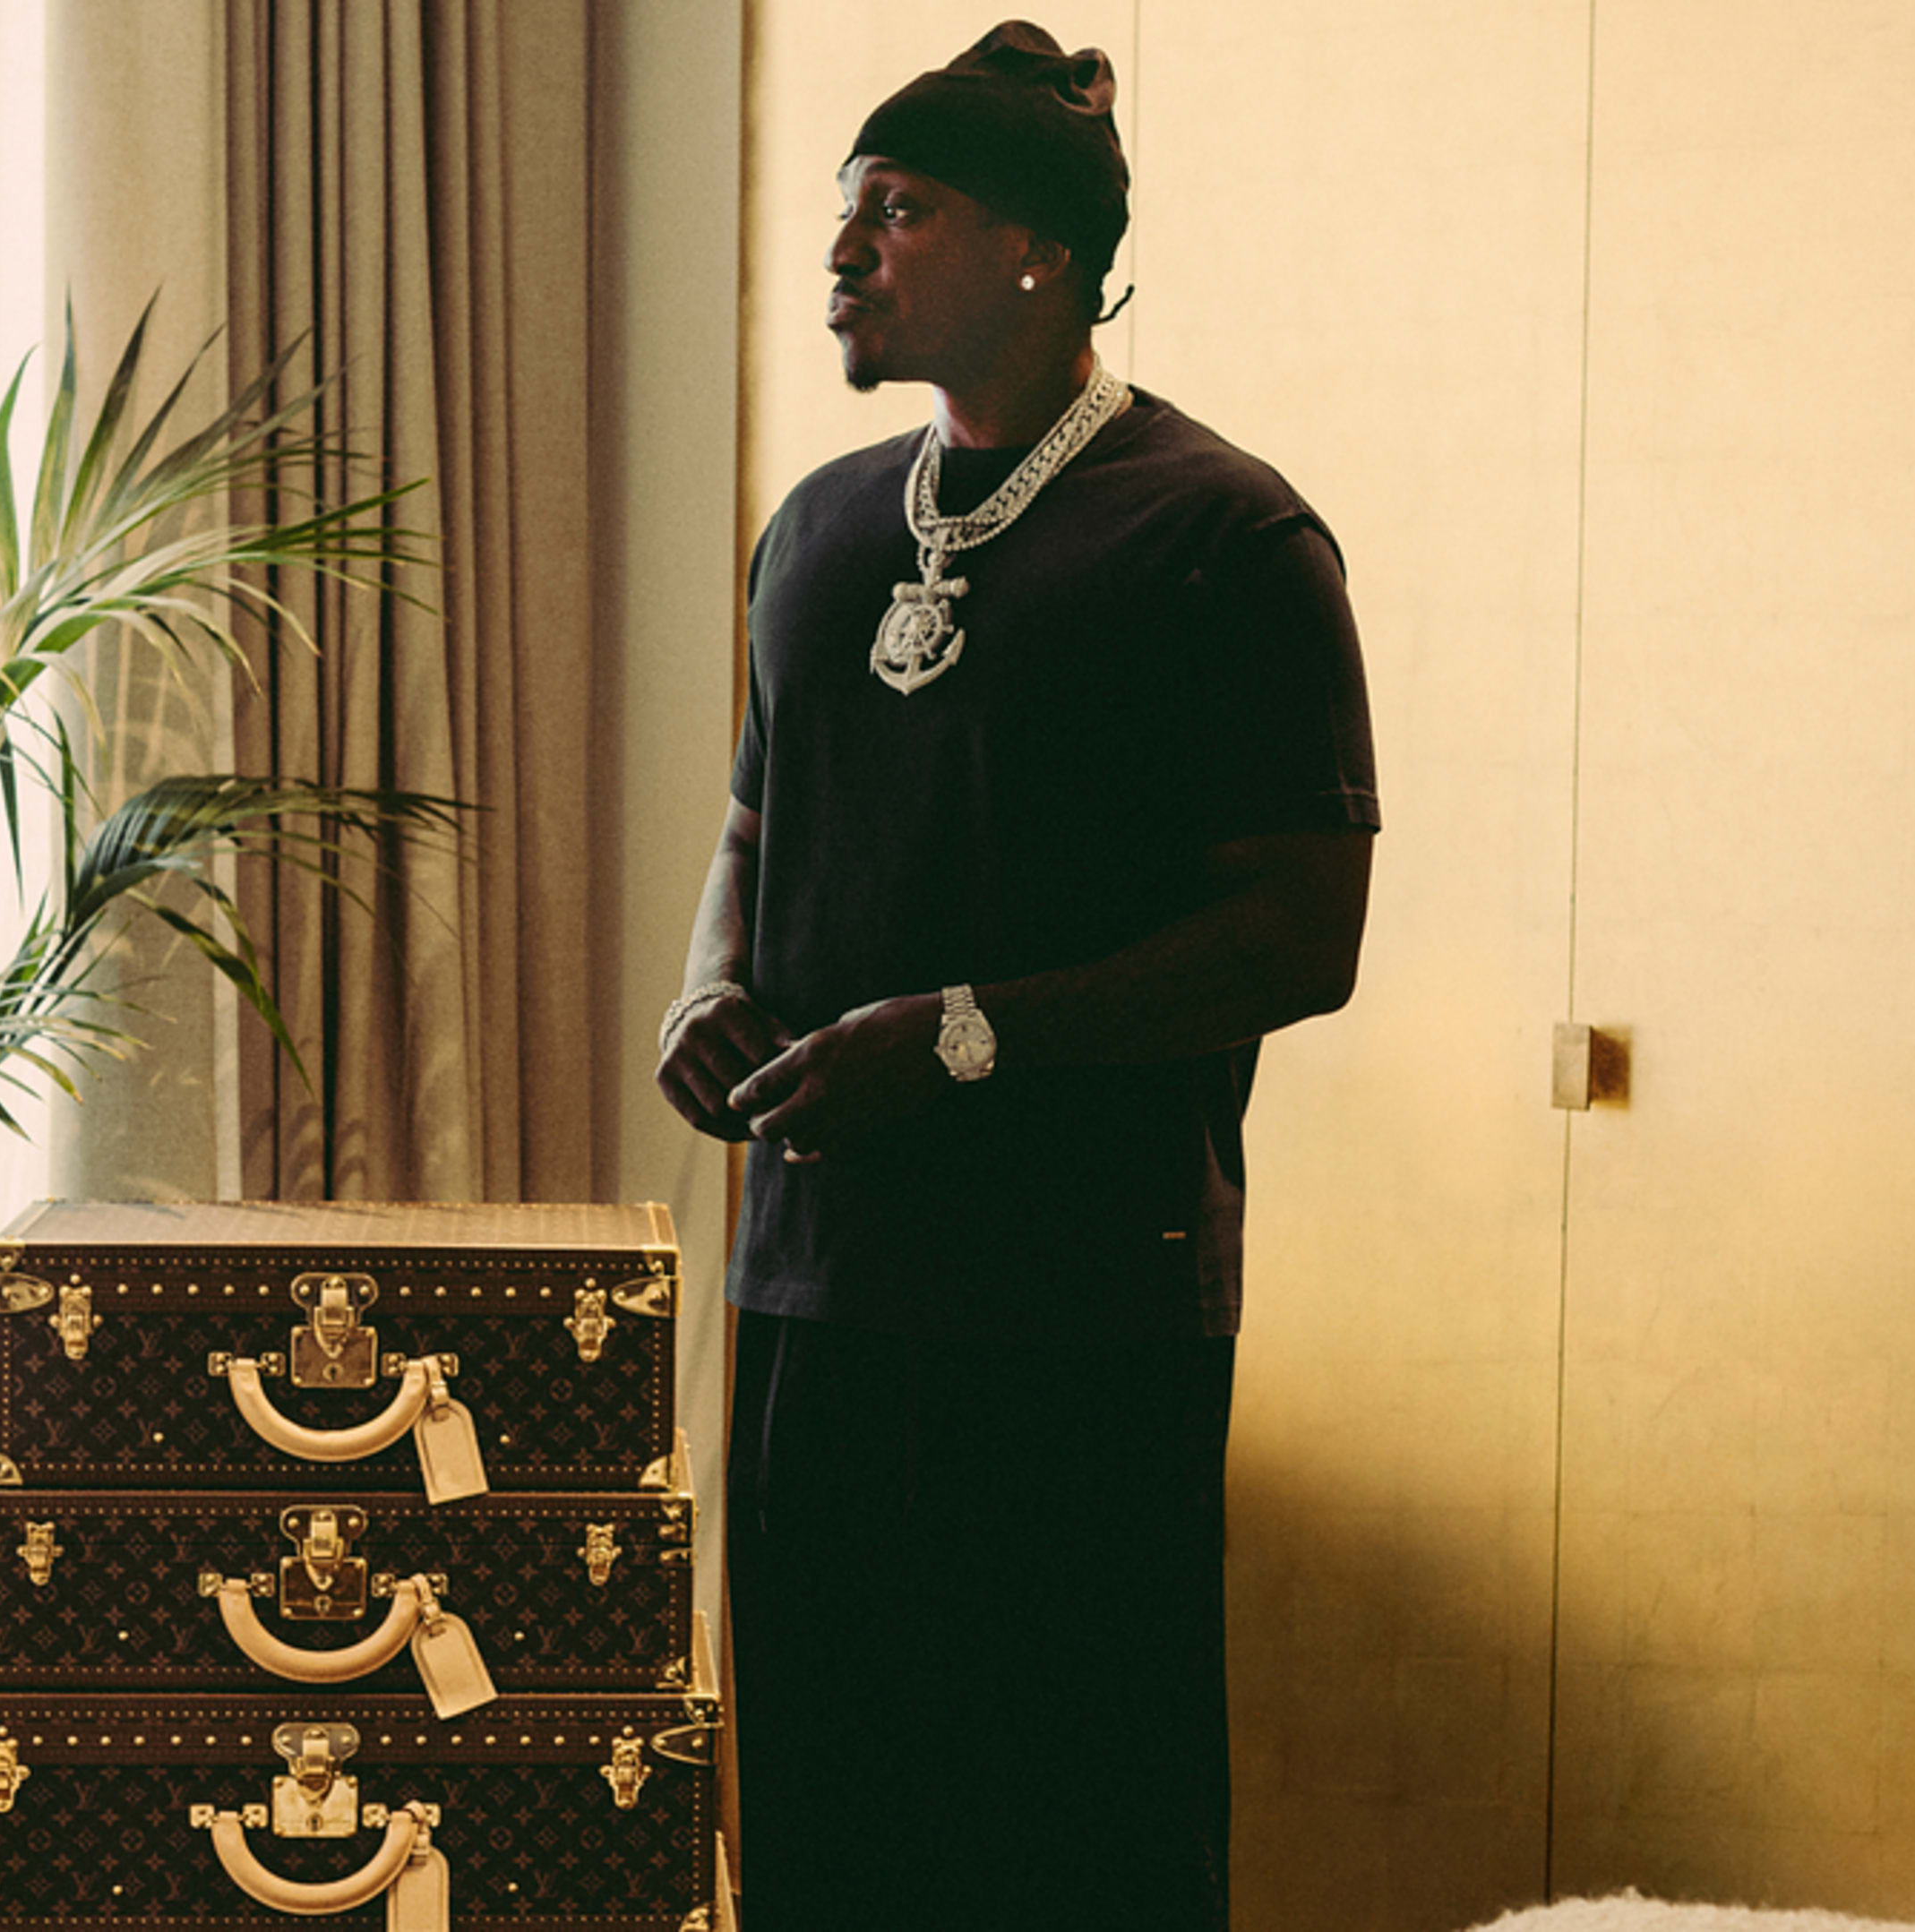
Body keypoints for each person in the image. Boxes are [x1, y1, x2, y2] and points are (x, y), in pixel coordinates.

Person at [654, 21, 1378, 1931]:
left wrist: (964, 1036)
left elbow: (1304, 935)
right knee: (824, 1807)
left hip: (1086, 1307)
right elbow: (755, 821)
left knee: (1072, 1819)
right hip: (816, 1284)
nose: (845, 254)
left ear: (1039, 251)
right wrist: (703, 985)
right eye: (844, 214)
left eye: (897, 212)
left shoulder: (1223, 535)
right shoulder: (812, 533)